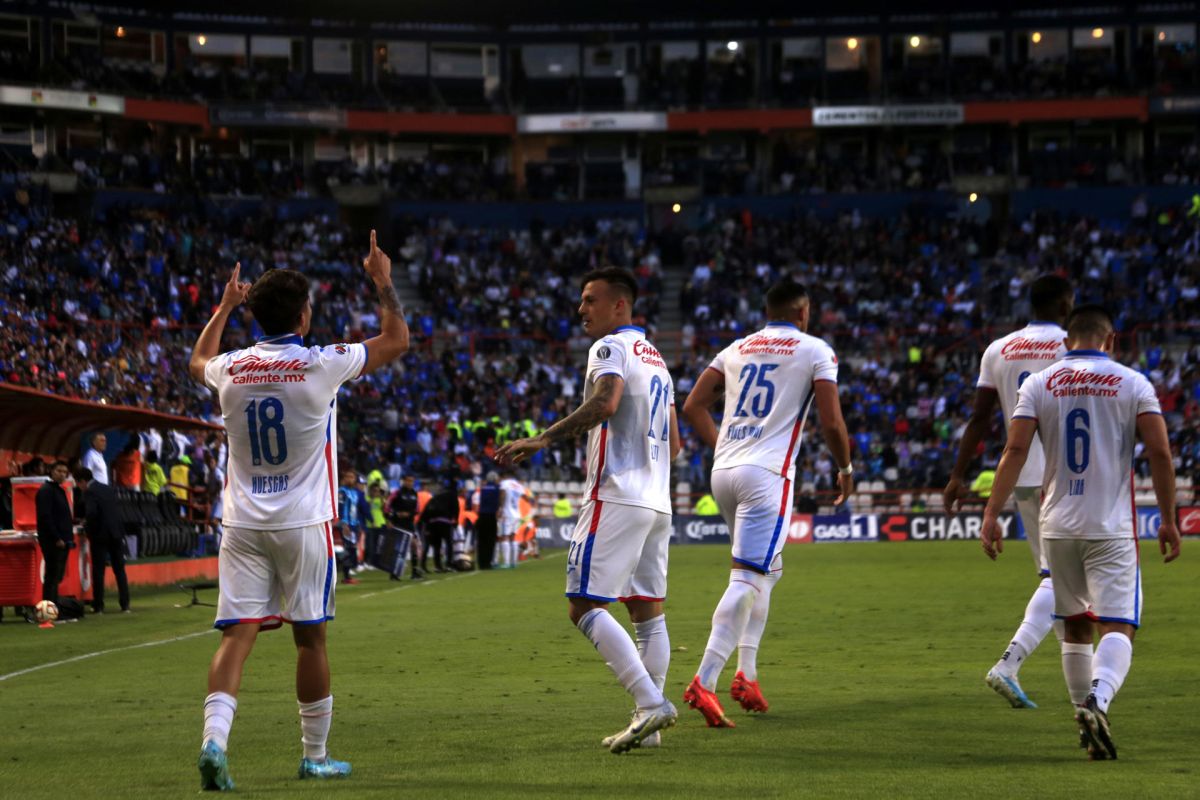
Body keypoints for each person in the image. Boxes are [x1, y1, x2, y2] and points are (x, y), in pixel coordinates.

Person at [187, 229, 409, 790]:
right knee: (310, 636)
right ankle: (314, 756)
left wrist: (222, 307)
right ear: (305, 316)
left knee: (236, 634)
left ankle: (214, 742)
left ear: (255, 316)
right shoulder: (321, 364)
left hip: (240, 521)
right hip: (303, 521)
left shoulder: (232, 369)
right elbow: (397, 339)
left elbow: (198, 360)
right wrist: (382, 280)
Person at [981, 305, 1181, 761]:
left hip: (1057, 524)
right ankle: (1098, 703)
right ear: (1110, 340)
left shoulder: (1038, 383)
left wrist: (992, 512)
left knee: (1073, 625)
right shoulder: (1134, 383)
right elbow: (1160, 453)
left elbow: (1015, 448)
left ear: (1067, 341)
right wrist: (1169, 518)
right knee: (1118, 624)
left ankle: (1083, 725)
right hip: (1110, 525)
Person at [498, 266, 680, 754]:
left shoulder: (611, 348)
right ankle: (651, 725)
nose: (581, 309)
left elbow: (606, 403)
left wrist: (544, 436)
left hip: (616, 492)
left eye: (590, 300)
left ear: (619, 305)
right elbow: (676, 443)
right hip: (657, 499)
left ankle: (651, 704)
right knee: (648, 613)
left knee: (583, 605)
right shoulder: (658, 359)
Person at [680, 279, 852, 726]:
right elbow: (832, 422)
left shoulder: (736, 348)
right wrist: (846, 468)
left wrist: (724, 448)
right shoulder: (815, 349)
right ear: (803, 312)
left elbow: (694, 407)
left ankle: (747, 675)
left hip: (724, 471)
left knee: (767, 571)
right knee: (748, 578)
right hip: (767, 475)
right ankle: (705, 679)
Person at [945, 274, 1072, 709]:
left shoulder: (998, 349)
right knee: (1062, 577)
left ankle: (1076, 669)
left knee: (1053, 574)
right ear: (1065, 305)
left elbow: (979, 418)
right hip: (1065, 471)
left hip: (1018, 472)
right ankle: (1010, 663)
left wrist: (958, 475)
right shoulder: (1072, 345)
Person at [76, 468, 130, 613]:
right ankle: (125, 604)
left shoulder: (89, 492)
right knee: (119, 569)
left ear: (82, 482)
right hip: (116, 532)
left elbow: (92, 512)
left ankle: (98, 604)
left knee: (99, 570)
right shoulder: (107, 488)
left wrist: (85, 524)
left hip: (100, 535)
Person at [35, 461, 74, 607]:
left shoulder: (59, 490)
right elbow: (45, 516)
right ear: (51, 471)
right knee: (52, 575)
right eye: (59, 471)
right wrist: (56, 537)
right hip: (53, 541)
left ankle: (52, 606)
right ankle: (48, 608)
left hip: (62, 540)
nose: (62, 474)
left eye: (65, 471)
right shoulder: (46, 490)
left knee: (56, 576)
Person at [386, 474, 423, 579]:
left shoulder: (414, 494)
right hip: (398, 523)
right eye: (408, 481)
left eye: (412, 481)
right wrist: (394, 516)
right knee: (397, 548)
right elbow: (387, 507)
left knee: (414, 546)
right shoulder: (396, 493)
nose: (410, 483)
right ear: (403, 481)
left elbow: (417, 510)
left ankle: (415, 571)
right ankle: (394, 573)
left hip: (409, 523)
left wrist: (409, 514)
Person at [421, 479, 459, 573]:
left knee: (437, 545)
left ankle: (438, 566)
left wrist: (427, 524)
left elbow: (426, 511)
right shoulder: (452, 495)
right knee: (449, 543)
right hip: (445, 521)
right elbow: (456, 508)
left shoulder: (435, 497)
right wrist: (455, 521)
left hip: (433, 522)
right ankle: (449, 565)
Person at [336, 470, 366, 585]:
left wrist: (357, 524)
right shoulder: (342, 492)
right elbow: (339, 509)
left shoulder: (354, 492)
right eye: (348, 477)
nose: (350, 479)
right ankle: (346, 576)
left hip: (353, 525)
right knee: (347, 549)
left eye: (352, 477)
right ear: (344, 479)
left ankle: (344, 574)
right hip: (345, 525)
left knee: (352, 549)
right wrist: (343, 524)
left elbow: (354, 510)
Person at [497, 470, 531, 569]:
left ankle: (506, 563)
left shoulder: (504, 483)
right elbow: (526, 498)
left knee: (505, 537)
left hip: (507, 514)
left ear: (504, 476)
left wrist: (500, 508)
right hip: (517, 514)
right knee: (513, 538)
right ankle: (514, 562)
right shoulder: (518, 485)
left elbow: (502, 495)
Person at [474, 472, 501, 569]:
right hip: (491, 516)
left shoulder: (483, 488)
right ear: (494, 479)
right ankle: (487, 563)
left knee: (481, 541)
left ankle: (481, 563)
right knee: (490, 541)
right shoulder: (497, 488)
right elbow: (498, 501)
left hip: (481, 516)